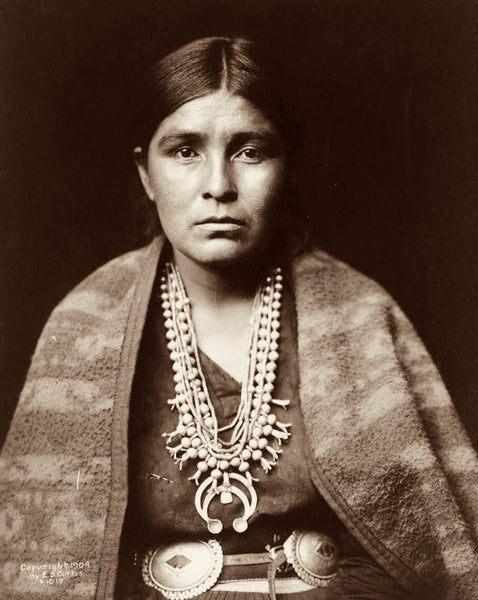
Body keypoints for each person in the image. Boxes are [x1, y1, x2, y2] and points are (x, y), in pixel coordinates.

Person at [1, 36, 477, 600]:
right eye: (184, 151)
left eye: (250, 151)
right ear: (146, 174)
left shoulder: (361, 316)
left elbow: (429, 546)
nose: (219, 186)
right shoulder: (85, 325)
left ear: (288, 168)